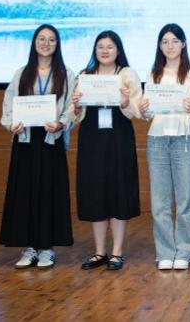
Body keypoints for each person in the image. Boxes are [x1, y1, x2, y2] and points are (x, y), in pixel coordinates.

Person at [0, 24, 77, 269]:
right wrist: (11, 124)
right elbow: (9, 104)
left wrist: (61, 123)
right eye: (41, 39)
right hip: (25, 141)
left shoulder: (67, 74)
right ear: (34, 43)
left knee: (49, 194)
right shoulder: (22, 73)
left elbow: (72, 107)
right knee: (24, 193)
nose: (46, 43)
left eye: (51, 40)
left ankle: (46, 248)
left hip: (50, 141)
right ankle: (28, 248)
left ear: (57, 44)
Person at [70, 30, 141, 271]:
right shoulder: (84, 75)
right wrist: (76, 104)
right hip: (92, 141)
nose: (105, 51)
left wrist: (125, 102)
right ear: (95, 50)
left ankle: (117, 252)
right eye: (100, 46)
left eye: (110, 47)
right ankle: (99, 252)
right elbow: (74, 115)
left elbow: (138, 111)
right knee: (96, 192)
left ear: (118, 50)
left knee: (119, 191)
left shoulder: (127, 74)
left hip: (119, 139)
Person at [138, 24, 190, 271]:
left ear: (183, 44)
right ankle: (165, 252)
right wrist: (144, 109)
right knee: (160, 202)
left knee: (185, 201)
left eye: (175, 41)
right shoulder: (153, 72)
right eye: (165, 42)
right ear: (159, 46)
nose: (170, 46)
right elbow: (148, 114)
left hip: (185, 138)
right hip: (157, 139)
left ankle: (184, 252)